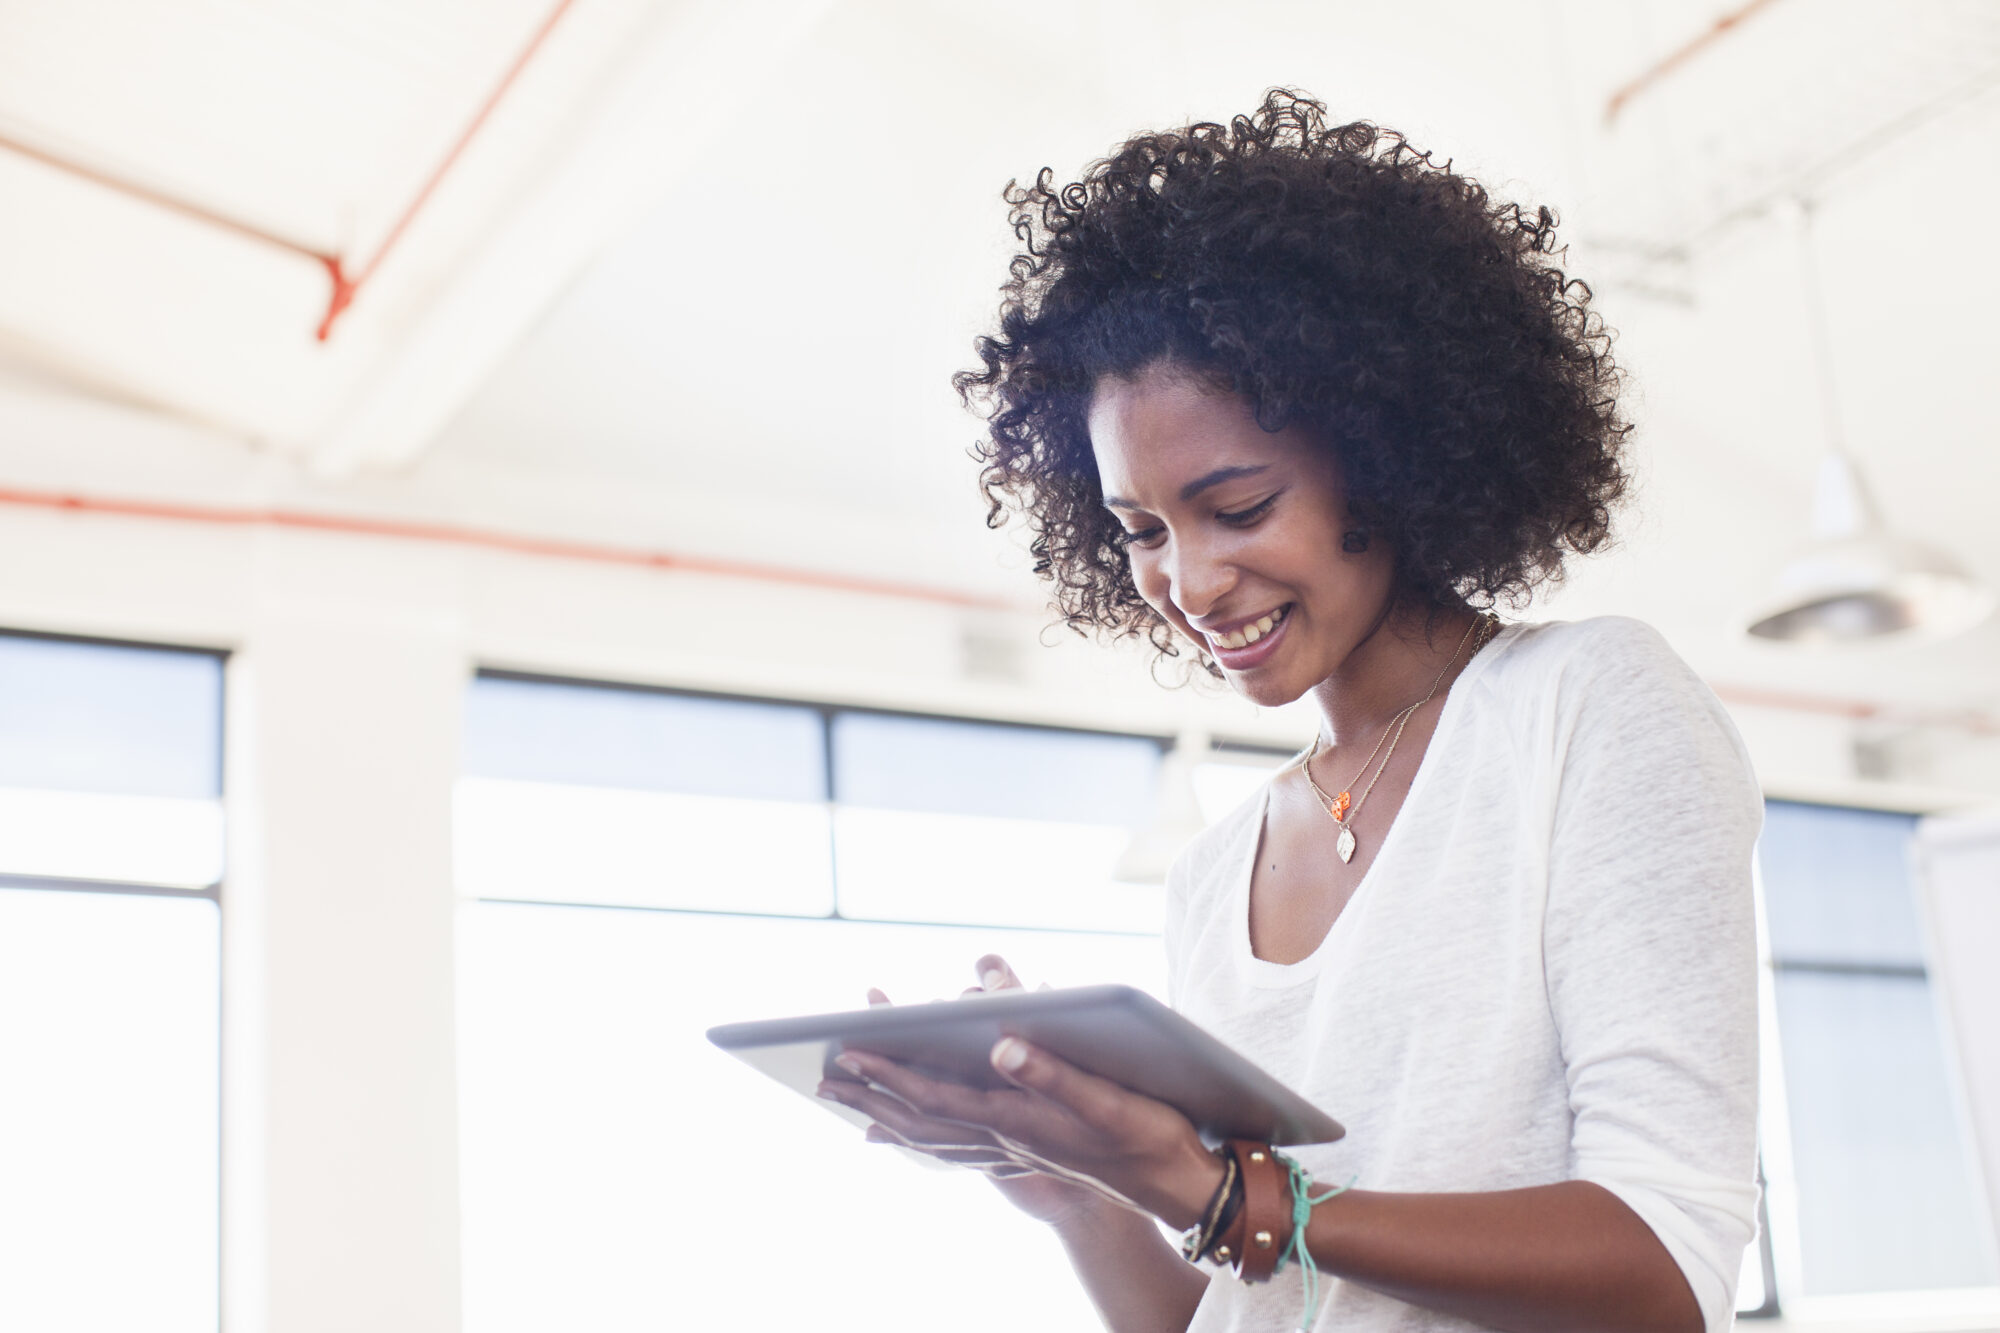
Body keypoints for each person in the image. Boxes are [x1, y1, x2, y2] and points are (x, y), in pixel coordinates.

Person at [815, 90, 1761, 1333]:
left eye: (1238, 506)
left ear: (1386, 453)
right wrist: (1070, 1183)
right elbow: (1236, 1310)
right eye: (1140, 530)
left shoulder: (1584, 708)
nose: (1187, 583)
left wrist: (1227, 1196)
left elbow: (1663, 1270)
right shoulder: (1214, 874)